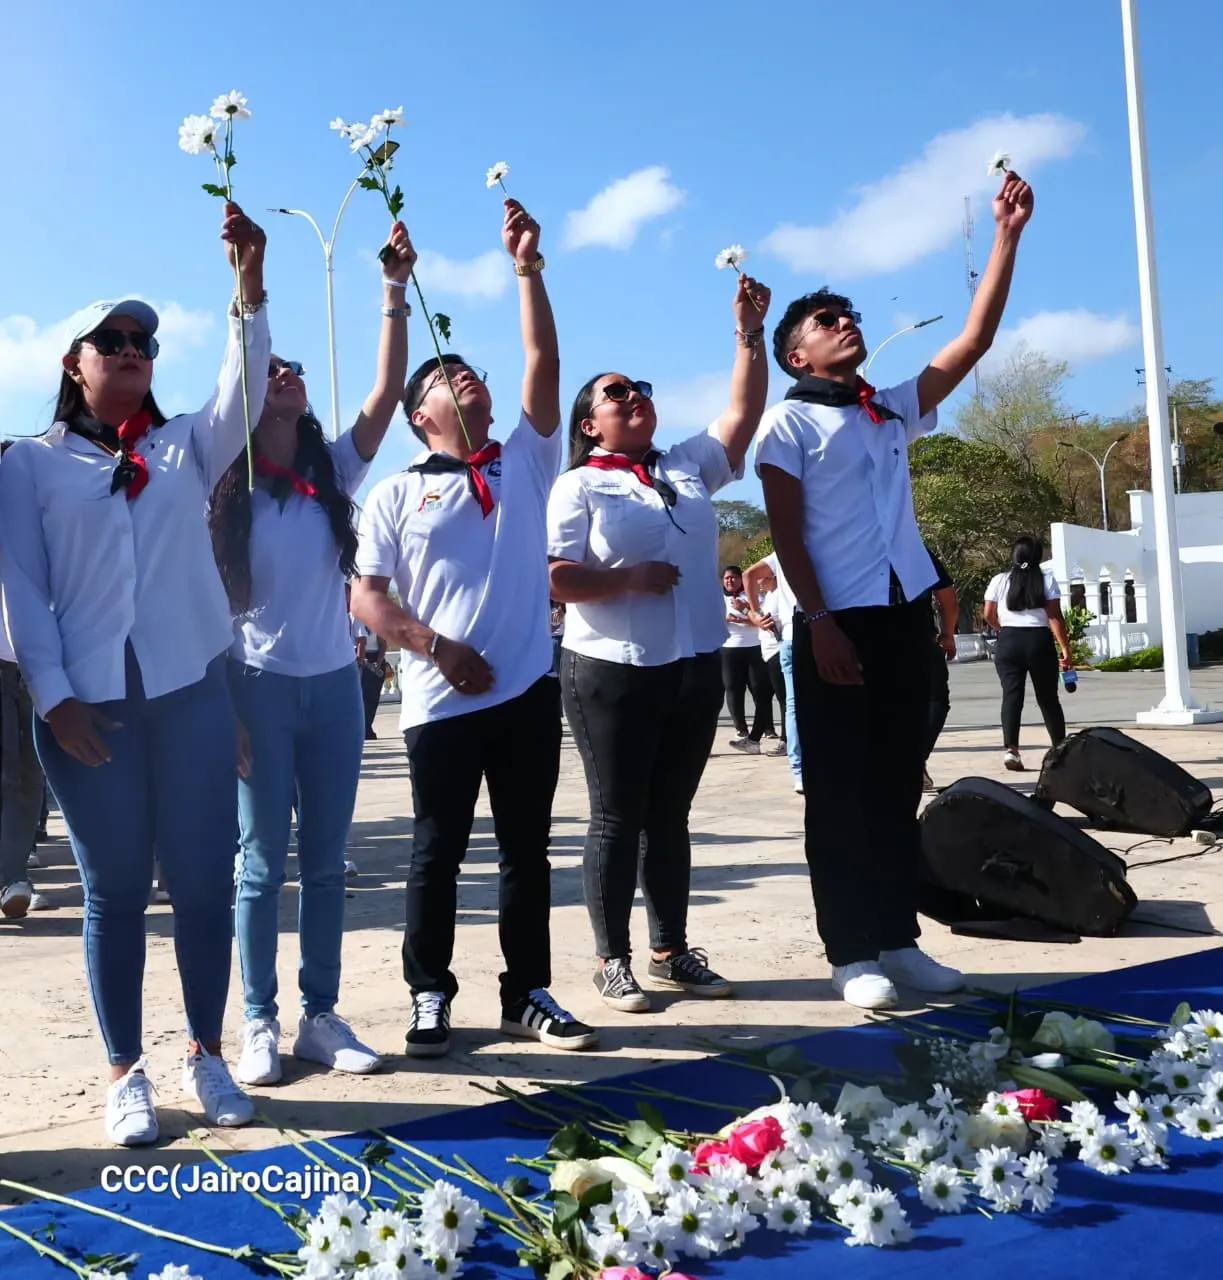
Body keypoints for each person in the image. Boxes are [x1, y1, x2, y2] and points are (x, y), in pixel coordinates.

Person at [0, 203, 270, 1143]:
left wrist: (248, 289)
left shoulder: (183, 445)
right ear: (73, 363)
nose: (130, 349)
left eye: (143, 341)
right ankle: (126, 1073)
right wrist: (54, 693)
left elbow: (244, 393)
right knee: (115, 890)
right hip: (87, 710)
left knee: (201, 880)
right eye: (109, 339)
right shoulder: (29, 466)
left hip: (189, 697)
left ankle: (206, 1053)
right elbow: (23, 590)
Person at [756, 171, 1034, 1011]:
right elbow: (786, 533)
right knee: (837, 792)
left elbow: (973, 342)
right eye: (825, 321)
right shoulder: (789, 422)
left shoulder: (888, 409)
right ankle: (850, 951)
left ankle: (896, 939)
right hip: (833, 621)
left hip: (901, 614)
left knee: (893, 780)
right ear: (797, 355)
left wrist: (1005, 236)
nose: (847, 325)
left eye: (850, 316)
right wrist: (818, 622)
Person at [352, 200, 596, 1057]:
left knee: (526, 852)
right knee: (436, 854)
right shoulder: (394, 492)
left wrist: (527, 269)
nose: (467, 382)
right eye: (445, 381)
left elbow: (545, 359)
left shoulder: (525, 459)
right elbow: (367, 599)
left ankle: (528, 990)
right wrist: (433, 647)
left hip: (528, 690)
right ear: (421, 415)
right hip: (437, 700)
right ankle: (429, 993)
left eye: (472, 375)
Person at [208, 221, 416, 1087]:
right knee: (260, 863)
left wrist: (393, 292)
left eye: (294, 371)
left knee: (326, 862)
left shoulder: (332, 472)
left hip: (334, 688)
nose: (287, 375)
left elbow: (387, 388)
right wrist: (225, 709)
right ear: (251, 394)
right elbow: (210, 614)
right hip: (255, 689)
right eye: (273, 369)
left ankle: (319, 1016)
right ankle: (257, 1020)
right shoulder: (224, 495)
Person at [548, 271, 772, 1012]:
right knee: (616, 815)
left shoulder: (684, 465)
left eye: (639, 385)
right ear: (589, 424)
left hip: (693, 663)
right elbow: (557, 578)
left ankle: (671, 949)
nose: (633, 395)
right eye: (615, 392)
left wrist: (746, 331)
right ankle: (611, 960)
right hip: (611, 668)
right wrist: (624, 580)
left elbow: (741, 412)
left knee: (670, 816)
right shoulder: (578, 486)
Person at [983, 535, 1071, 772]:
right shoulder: (1046, 579)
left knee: (1012, 696)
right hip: (1038, 642)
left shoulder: (1000, 580)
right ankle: (1060, 751)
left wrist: (1001, 628)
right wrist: (1065, 648)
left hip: (1009, 642)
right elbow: (1054, 617)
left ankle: (1011, 751)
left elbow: (988, 613)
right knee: (1048, 698)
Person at [744, 552, 803, 792]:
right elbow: (749, 575)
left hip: (791, 634)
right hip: (808, 631)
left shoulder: (785, 547)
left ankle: (799, 770)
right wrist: (754, 613)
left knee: (794, 704)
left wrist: (753, 611)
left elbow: (749, 574)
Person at [720, 565, 774, 753]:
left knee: (760, 689)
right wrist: (724, 619)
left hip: (754, 647)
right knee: (733, 688)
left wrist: (742, 617)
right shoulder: (719, 600)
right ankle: (741, 730)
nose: (730, 581)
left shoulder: (753, 598)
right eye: (727, 579)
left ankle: (766, 728)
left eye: (734, 578)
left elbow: (761, 621)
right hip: (729, 648)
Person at [922, 551, 959, 792]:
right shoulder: (915, 551)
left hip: (867, 641)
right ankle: (915, 759)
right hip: (918, 637)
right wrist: (947, 634)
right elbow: (947, 598)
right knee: (935, 701)